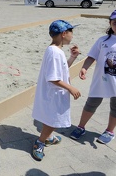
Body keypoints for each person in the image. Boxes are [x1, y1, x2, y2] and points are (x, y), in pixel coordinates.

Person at [32, 20, 81, 161]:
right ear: (64, 34)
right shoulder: (54, 52)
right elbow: (53, 78)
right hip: (53, 93)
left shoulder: (56, 50)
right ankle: (40, 142)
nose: (72, 36)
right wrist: (71, 88)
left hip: (54, 92)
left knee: (52, 118)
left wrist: (72, 57)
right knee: (53, 120)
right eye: (71, 32)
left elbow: (62, 70)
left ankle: (48, 137)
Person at [70, 10, 116, 144]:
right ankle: (81, 126)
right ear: (110, 23)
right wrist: (84, 68)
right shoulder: (102, 40)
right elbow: (92, 56)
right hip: (101, 81)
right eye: (115, 23)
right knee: (91, 104)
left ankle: (109, 131)